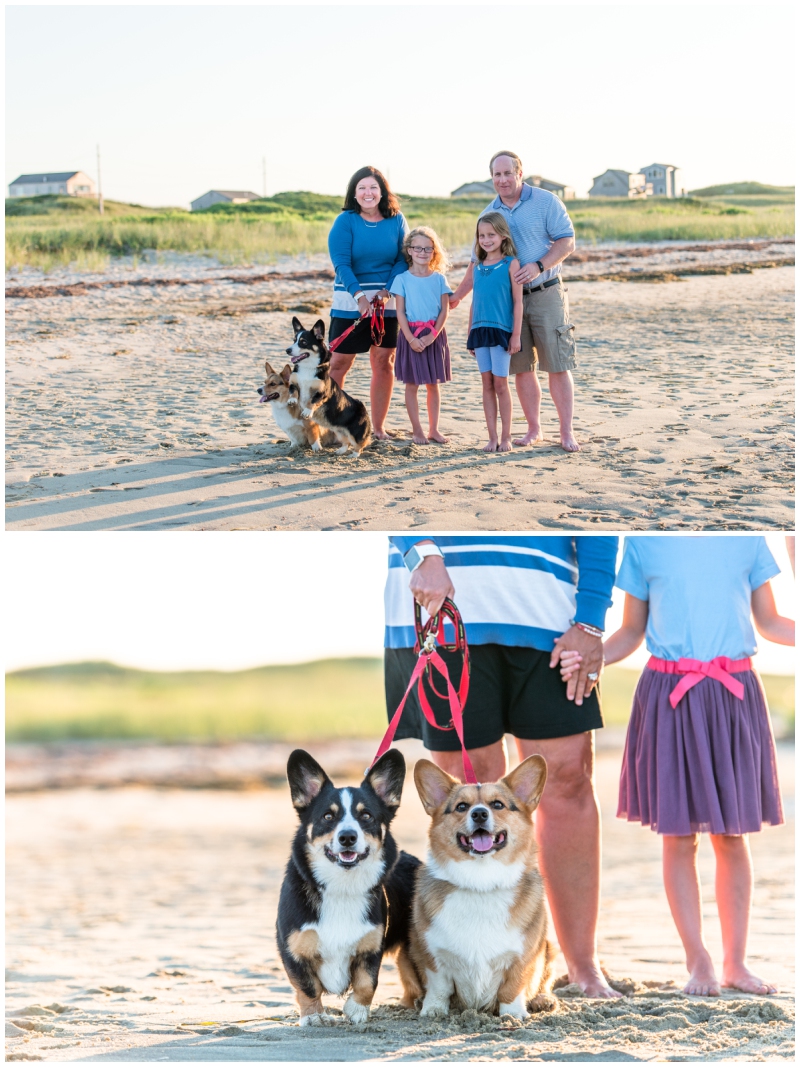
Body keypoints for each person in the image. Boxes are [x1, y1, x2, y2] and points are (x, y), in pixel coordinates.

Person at [384, 534, 622, 999]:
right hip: (442, 612)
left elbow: (593, 513)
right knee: (469, 798)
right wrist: (423, 553)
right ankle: (475, 969)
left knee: (568, 779)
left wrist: (591, 621)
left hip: (550, 612)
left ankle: (582, 966)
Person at [562, 536, 794, 996]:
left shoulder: (747, 537)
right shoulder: (647, 542)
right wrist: (592, 657)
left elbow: (769, 622)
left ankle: (736, 963)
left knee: (732, 836)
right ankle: (699, 960)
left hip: (734, 694)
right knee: (678, 836)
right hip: (669, 696)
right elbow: (631, 631)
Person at [450, 151, 579, 452]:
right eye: (497, 174)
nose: (503, 179)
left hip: (545, 292)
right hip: (508, 304)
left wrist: (538, 265)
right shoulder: (489, 212)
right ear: (491, 177)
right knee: (522, 367)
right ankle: (534, 429)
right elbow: (476, 263)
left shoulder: (546, 201)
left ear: (520, 173)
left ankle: (566, 432)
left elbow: (567, 241)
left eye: (508, 173)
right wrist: (457, 296)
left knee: (557, 364)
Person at [327, 166, 409, 440]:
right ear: (354, 193)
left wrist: (387, 290)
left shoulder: (396, 220)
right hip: (350, 301)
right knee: (339, 363)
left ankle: (378, 427)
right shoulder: (345, 221)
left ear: (382, 191)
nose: (368, 193)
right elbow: (341, 262)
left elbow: (402, 258)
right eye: (361, 188)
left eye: (373, 187)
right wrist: (360, 297)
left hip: (386, 301)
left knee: (384, 361)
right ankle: (333, 428)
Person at [390, 227, 453, 445]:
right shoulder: (401, 279)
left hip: (434, 336)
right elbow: (399, 312)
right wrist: (410, 338)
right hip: (410, 336)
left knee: (433, 384)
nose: (423, 252)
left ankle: (434, 430)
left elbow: (444, 311)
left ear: (434, 252)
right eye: (418, 248)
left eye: (428, 248)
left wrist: (432, 336)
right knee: (412, 384)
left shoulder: (439, 279)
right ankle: (417, 430)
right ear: (409, 250)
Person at [467, 213, 522, 453]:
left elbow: (518, 303)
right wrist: (470, 332)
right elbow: (473, 301)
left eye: (491, 235)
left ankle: (506, 436)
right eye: (482, 235)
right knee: (486, 384)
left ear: (502, 236)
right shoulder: (477, 267)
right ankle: (491, 438)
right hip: (479, 332)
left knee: (501, 384)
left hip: (501, 331)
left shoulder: (511, 263)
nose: (486, 240)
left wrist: (516, 335)